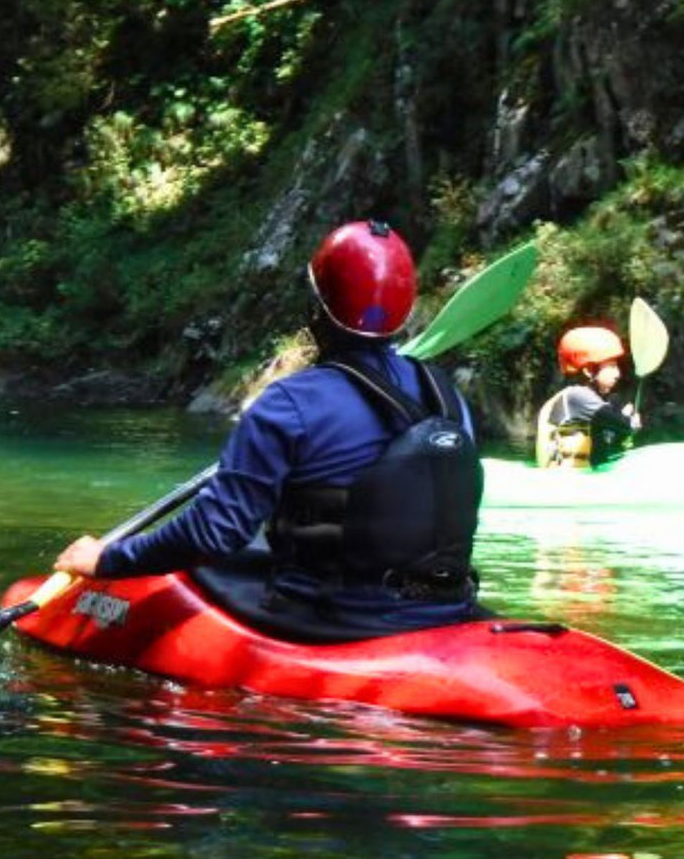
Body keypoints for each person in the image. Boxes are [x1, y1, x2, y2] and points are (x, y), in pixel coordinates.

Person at [54, 220, 489, 638]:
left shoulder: (288, 404)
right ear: (405, 306)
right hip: (444, 605)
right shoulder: (447, 396)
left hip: (335, 617)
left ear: (317, 307)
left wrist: (109, 559)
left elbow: (214, 532)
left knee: (216, 558)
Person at [535, 326, 641, 469]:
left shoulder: (599, 403)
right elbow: (623, 423)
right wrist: (630, 421)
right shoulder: (577, 397)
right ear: (588, 371)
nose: (617, 374)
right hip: (565, 482)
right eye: (611, 366)